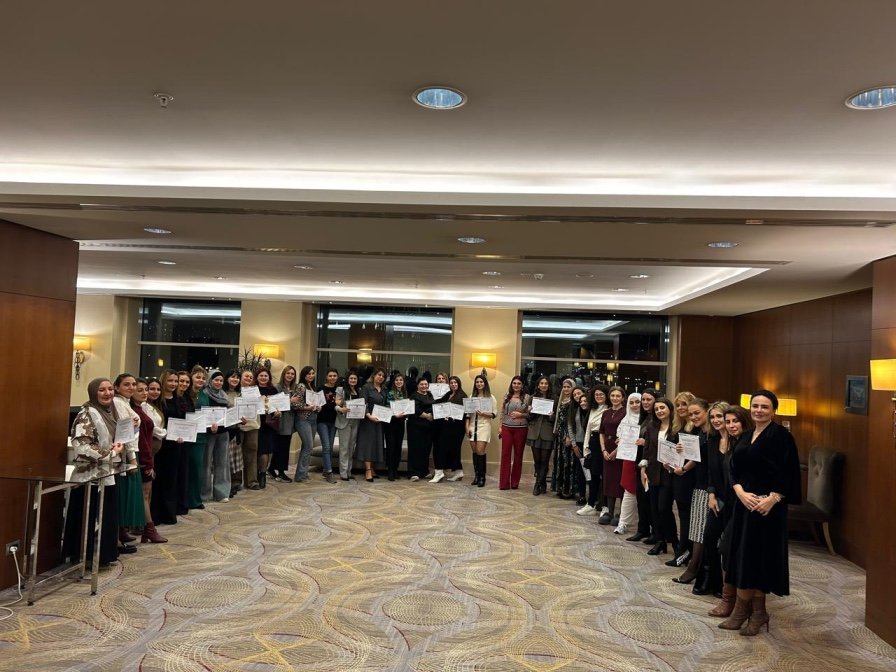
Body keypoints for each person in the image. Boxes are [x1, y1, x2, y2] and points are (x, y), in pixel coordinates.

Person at [718, 391, 801, 636]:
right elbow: (733, 468)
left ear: (774, 410)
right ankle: (754, 612)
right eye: (755, 406)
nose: (759, 410)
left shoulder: (781, 436)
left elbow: (790, 472)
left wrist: (773, 499)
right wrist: (740, 492)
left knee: (758, 559)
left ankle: (749, 613)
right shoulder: (746, 435)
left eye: (764, 407)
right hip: (744, 505)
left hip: (767, 510)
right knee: (743, 557)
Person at [64, 378, 126, 568]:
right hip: (89, 476)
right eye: (102, 390)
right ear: (93, 393)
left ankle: (102, 556)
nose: (108, 393)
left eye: (110, 389)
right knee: (89, 517)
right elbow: (82, 446)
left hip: (106, 473)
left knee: (106, 515)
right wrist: (111, 453)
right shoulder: (86, 414)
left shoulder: (109, 412)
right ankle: (86, 557)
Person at [639, 397, 678, 555]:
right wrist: (643, 468)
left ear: (670, 408)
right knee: (654, 508)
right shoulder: (652, 426)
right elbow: (647, 450)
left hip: (669, 473)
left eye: (662, 408)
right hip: (653, 472)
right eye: (656, 409)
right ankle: (660, 541)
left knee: (664, 508)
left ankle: (674, 541)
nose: (659, 411)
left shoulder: (677, 427)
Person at [131, 378, 167, 543]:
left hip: (146, 456)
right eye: (140, 390)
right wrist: (148, 462)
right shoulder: (134, 411)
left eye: (146, 389)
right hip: (141, 457)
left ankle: (146, 528)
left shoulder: (141, 408)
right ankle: (148, 529)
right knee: (144, 494)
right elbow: (142, 440)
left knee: (146, 494)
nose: (145, 393)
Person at [151, 370, 188, 524]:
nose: (173, 384)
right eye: (170, 381)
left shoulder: (180, 400)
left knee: (171, 479)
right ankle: (156, 514)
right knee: (158, 479)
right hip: (160, 445)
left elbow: (184, 421)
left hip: (176, 445)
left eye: (175, 381)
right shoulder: (156, 401)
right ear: (163, 381)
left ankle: (169, 513)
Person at [668, 391, 698, 566]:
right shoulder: (677, 426)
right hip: (677, 475)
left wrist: (684, 469)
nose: (680, 408)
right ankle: (684, 551)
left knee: (687, 516)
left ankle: (684, 553)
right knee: (682, 514)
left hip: (689, 475)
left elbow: (697, 456)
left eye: (684, 404)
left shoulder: (696, 428)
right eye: (678, 405)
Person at [112, 374, 143, 550]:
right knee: (123, 496)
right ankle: (117, 533)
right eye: (126, 384)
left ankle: (122, 530)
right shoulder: (118, 403)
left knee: (127, 495)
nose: (131, 387)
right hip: (126, 455)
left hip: (130, 452)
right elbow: (126, 434)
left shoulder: (125, 403)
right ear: (117, 387)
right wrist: (132, 459)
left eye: (133, 384)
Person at [577, 385, 609, 516]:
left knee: (605, 476)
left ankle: (605, 506)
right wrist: (586, 447)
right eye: (596, 395)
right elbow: (588, 430)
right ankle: (590, 504)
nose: (599, 396)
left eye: (601, 394)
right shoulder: (593, 409)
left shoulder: (609, 409)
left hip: (606, 443)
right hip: (593, 442)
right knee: (594, 475)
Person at [614, 392, 642, 535]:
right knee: (629, 490)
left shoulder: (649, 419)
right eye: (631, 403)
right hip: (629, 459)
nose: (634, 405)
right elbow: (620, 435)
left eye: (637, 402)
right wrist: (620, 440)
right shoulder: (626, 420)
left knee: (645, 493)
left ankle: (645, 526)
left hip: (644, 459)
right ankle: (623, 523)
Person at [598, 386, 627, 524]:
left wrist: (616, 451)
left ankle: (620, 513)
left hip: (620, 450)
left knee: (619, 481)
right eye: (613, 396)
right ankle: (609, 511)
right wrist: (603, 450)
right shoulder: (606, 412)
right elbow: (601, 432)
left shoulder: (626, 412)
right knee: (608, 480)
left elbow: (627, 434)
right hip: (607, 448)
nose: (615, 398)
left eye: (618, 396)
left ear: (622, 398)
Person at [202, 370, 232, 502]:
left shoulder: (224, 395)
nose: (219, 382)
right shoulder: (204, 394)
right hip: (208, 433)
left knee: (222, 463)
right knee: (206, 463)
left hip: (223, 433)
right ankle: (204, 493)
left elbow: (229, 413)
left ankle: (221, 493)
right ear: (210, 380)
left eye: (221, 380)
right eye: (216, 380)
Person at [498, 375, 529, 490]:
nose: (516, 385)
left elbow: (530, 414)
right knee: (505, 455)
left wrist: (521, 414)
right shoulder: (507, 395)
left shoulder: (527, 398)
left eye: (519, 383)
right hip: (506, 428)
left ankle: (515, 482)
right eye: (514, 383)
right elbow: (502, 412)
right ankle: (504, 483)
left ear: (522, 385)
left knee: (518, 455)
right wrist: (500, 426)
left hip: (521, 428)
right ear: (511, 384)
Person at [357, 368, 388, 482]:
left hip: (380, 421)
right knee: (368, 445)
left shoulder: (384, 389)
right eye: (379, 375)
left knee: (376, 444)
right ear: (374, 375)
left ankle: (373, 468)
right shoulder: (366, 387)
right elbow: (363, 403)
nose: (381, 377)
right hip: (368, 421)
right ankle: (368, 470)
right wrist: (369, 416)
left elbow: (386, 404)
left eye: (383, 376)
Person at [527, 375, 555, 496]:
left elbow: (556, 418)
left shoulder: (554, 399)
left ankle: (537, 484)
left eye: (546, 383)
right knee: (537, 460)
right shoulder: (532, 398)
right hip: (534, 432)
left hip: (547, 432)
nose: (544, 385)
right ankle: (542, 483)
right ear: (538, 385)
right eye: (542, 383)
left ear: (549, 386)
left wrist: (551, 415)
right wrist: (529, 411)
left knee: (544, 460)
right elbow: (529, 418)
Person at [467, 374, 496, 487]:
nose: (479, 384)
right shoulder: (471, 397)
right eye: (477, 382)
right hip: (472, 426)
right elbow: (468, 414)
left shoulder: (490, 397)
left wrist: (484, 413)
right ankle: (476, 476)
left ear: (485, 383)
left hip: (484, 426)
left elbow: (494, 414)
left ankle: (482, 477)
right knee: (474, 451)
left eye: (481, 382)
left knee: (480, 451)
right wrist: (467, 427)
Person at [186, 365, 209, 509]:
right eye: (198, 377)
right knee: (187, 469)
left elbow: (208, 415)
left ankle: (195, 499)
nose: (201, 380)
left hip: (200, 437)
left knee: (197, 469)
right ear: (191, 378)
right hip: (186, 436)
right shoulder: (185, 394)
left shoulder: (204, 395)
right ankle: (185, 499)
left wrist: (213, 424)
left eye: (203, 378)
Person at [294, 366, 321, 483]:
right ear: (304, 375)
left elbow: (315, 403)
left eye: (312, 373)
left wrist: (318, 407)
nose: (311, 375)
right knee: (309, 446)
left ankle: (302, 474)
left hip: (313, 418)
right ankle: (301, 475)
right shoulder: (301, 386)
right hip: (303, 419)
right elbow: (295, 404)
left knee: (307, 447)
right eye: (309, 373)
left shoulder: (313, 387)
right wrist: (307, 407)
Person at [271, 365, 298, 482]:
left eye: (292, 374)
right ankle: (281, 472)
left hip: (290, 421)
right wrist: (290, 400)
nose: (290, 376)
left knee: (283, 446)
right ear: (284, 374)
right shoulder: (277, 387)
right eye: (288, 373)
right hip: (280, 421)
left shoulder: (294, 388)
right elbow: (274, 404)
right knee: (281, 448)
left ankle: (271, 468)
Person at [255, 367, 280, 489]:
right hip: (254, 423)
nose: (263, 378)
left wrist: (278, 412)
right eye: (261, 375)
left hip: (268, 424)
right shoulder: (252, 390)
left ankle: (262, 474)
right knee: (255, 449)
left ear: (269, 377)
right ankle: (254, 474)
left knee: (265, 450)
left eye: (266, 376)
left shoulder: (273, 390)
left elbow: (278, 406)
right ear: (257, 377)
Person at [335, 371, 362, 480]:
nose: (353, 380)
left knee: (351, 447)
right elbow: (336, 404)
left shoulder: (359, 390)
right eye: (351, 378)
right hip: (344, 421)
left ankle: (349, 471)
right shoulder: (340, 390)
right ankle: (343, 473)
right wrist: (341, 408)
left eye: (355, 378)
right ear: (347, 379)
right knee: (344, 448)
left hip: (355, 421)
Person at [407, 377, 435, 481]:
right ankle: (413, 473)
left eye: (426, 384)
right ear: (417, 385)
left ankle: (424, 471)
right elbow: (415, 410)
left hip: (428, 427)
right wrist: (427, 416)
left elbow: (433, 406)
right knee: (416, 449)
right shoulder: (414, 396)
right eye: (422, 384)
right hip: (415, 427)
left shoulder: (429, 394)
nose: (424, 386)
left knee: (426, 449)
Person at [238, 369, 261, 490]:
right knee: (237, 455)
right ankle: (236, 482)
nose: (248, 379)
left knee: (252, 453)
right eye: (246, 376)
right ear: (241, 377)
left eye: (251, 377)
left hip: (252, 425)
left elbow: (261, 408)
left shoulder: (255, 392)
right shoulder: (236, 391)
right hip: (238, 426)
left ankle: (252, 481)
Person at [441, 376, 467, 481]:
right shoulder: (448, 394)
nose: (453, 384)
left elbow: (464, 412)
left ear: (459, 384)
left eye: (455, 382)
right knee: (452, 449)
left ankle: (459, 471)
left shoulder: (462, 395)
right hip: (448, 426)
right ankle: (458, 471)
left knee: (455, 449)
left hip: (457, 427)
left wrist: (451, 416)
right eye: (451, 383)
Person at [317, 368, 340, 483]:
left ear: (337, 377)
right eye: (330, 376)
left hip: (334, 421)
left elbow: (340, 404)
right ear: (326, 377)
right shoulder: (320, 389)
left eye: (334, 376)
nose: (332, 378)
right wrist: (334, 405)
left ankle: (326, 470)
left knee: (330, 447)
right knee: (326, 446)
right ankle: (329, 472)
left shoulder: (339, 390)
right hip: (322, 421)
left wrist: (337, 405)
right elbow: (321, 405)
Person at [224, 370, 245, 496]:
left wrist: (244, 418)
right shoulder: (222, 393)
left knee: (236, 457)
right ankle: (228, 484)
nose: (235, 379)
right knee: (228, 458)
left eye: (237, 377)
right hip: (226, 429)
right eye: (232, 377)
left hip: (237, 429)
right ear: (227, 379)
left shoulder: (240, 394)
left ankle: (236, 483)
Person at [385, 373, 409, 481]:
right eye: (397, 380)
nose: (399, 382)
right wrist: (395, 414)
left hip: (400, 423)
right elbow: (387, 407)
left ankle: (395, 470)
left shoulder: (405, 393)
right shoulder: (390, 393)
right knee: (391, 447)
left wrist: (407, 413)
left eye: (401, 380)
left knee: (398, 447)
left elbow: (407, 408)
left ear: (403, 382)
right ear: (394, 382)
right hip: (391, 423)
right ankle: (390, 471)